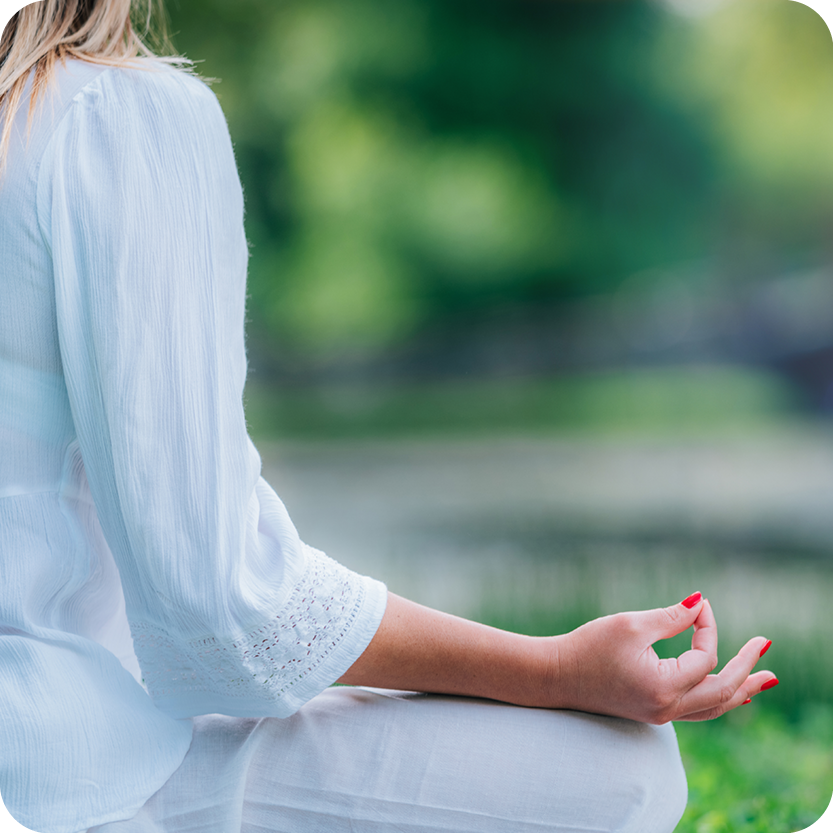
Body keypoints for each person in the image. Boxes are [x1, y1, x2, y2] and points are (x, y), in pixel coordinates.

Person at [0, 3, 778, 832]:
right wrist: (551, 668)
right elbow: (221, 609)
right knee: (621, 769)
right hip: (69, 770)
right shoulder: (110, 116)